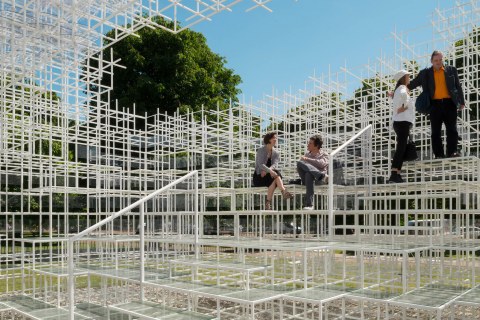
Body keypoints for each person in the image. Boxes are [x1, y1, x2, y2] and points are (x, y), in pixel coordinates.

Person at [407, 50, 465, 158]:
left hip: (450, 103)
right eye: (436, 60)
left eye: (440, 60)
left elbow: (458, 86)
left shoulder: (451, 70)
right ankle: (438, 155)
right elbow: (413, 83)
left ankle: (452, 152)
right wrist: (398, 89)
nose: (438, 62)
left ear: (443, 59)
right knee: (435, 132)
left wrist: (462, 101)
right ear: (431, 61)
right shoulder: (425, 73)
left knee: (452, 130)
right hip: (435, 104)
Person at [253, 132, 293, 210]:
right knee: (276, 175)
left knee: (275, 177)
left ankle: (268, 203)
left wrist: (268, 171)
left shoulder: (276, 153)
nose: (276, 139)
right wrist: (270, 171)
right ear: (269, 139)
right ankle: (283, 191)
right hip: (259, 176)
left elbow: (274, 164)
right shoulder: (261, 150)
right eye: (274, 138)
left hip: (269, 175)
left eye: (276, 138)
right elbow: (260, 164)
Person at [388, 69, 415, 183]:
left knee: (402, 148)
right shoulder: (403, 89)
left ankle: (397, 174)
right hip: (402, 122)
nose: (409, 78)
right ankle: (394, 173)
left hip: (400, 122)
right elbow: (405, 97)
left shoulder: (398, 89)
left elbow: (397, 100)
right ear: (403, 78)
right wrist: (405, 105)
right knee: (400, 148)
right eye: (408, 76)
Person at [297, 134, 328, 210]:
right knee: (299, 163)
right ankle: (321, 175)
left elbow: (322, 164)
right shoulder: (307, 154)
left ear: (316, 145)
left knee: (309, 174)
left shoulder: (324, 154)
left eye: (310, 143)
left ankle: (309, 205)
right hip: (307, 180)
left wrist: (307, 159)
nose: (308, 144)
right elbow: (301, 167)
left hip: (319, 181)